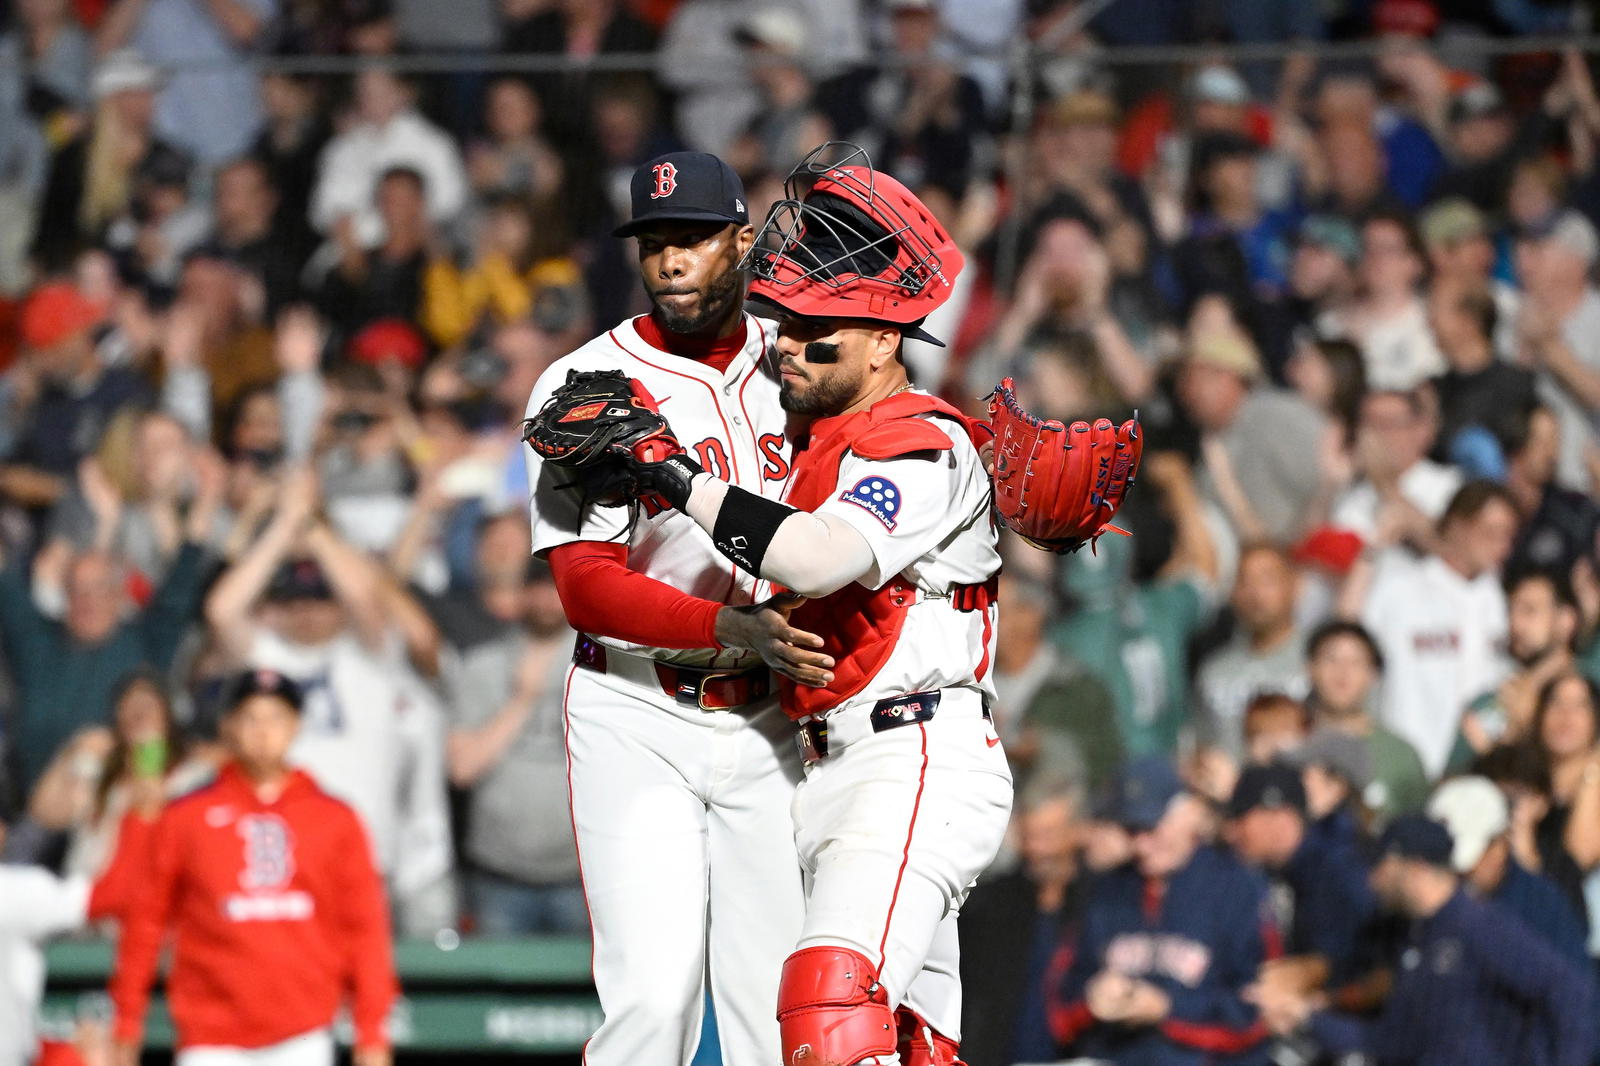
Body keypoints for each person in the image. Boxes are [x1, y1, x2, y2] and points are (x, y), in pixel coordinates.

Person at [574, 144, 1010, 1065]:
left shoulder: (917, 443)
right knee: (908, 1043)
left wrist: (670, 472)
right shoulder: (828, 439)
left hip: (915, 755)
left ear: (886, 342)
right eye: (787, 325)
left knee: (829, 1008)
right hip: (827, 765)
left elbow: (815, 559)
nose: (792, 348)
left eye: (823, 335)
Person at [520, 151, 816, 1066]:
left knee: (780, 1012)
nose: (670, 261)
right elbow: (585, 585)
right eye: (653, 244)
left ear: (739, 241)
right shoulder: (588, 385)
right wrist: (725, 626)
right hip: (637, 710)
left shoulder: (802, 359)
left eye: (690, 238)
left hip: (773, 717)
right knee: (652, 1000)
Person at [205, 467, 455, 936]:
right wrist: (284, 526)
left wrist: (313, 527)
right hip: (282, 862)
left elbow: (364, 595)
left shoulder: (371, 654)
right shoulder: (268, 652)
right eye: (295, 600)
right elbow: (221, 610)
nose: (308, 610)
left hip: (366, 857)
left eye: (320, 599)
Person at [108, 668, 397, 1066]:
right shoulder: (187, 816)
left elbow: (365, 928)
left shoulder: (335, 819)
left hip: (303, 1030)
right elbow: (145, 920)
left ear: (296, 726)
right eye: (250, 718)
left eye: (276, 717)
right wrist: (127, 1021)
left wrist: (372, 1030)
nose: (263, 731)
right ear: (227, 726)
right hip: (209, 1034)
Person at [1286, 814, 1596, 1065]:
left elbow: (1572, 992)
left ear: (1415, 867)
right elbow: (1394, 1041)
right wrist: (1307, 1019)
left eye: (1381, 866)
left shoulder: (1480, 926)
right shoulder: (1415, 936)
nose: (1372, 879)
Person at [1053, 758, 1273, 1064]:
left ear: (1191, 813)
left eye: (1151, 827)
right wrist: (1091, 1002)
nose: (1141, 845)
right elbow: (1059, 1007)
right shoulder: (1107, 889)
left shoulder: (1238, 888)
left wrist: (1168, 1009)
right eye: (1131, 830)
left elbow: (1262, 1014)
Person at [1353, 480, 1517, 776]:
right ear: (1456, 526)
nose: (1502, 547)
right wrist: (1371, 549)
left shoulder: (1504, 600)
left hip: (1481, 772)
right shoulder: (1401, 588)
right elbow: (1347, 635)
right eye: (1490, 533)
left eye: (1508, 536)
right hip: (1411, 767)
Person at [959, 780, 1090, 1066]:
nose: (1037, 849)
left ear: (1079, 831)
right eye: (1029, 836)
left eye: (1049, 835)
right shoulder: (984, 908)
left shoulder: (1103, 902)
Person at [1225, 763, 1376, 992]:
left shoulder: (1343, 869)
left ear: (1279, 817)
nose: (1232, 832)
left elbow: (1369, 963)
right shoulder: (1283, 870)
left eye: (1241, 818)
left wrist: (1309, 974)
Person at [1426, 775, 1589, 966]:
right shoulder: (1418, 904)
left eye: (1471, 860)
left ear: (1501, 844)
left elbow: (1575, 985)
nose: (1461, 874)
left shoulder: (1543, 906)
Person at [1451, 568, 1580, 770]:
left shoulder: (1593, 690)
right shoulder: (1489, 706)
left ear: (1566, 621)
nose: (1515, 624)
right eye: (1511, 611)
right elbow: (1451, 788)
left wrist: (1528, 727)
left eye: (1529, 611)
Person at [1303, 620, 1430, 823]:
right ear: (1310, 669)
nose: (1342, 672)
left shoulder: (1401, 755)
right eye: (1331, 659)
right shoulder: (1292, 747)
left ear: (1373, 674)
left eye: (1355, 662)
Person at [1195, 543, 1307, 756]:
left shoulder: (1320, 661)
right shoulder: (1213, 670)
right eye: (1244, 582)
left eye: (1267, 580)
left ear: (1295, 586)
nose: (1256, 594)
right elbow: (1200, 745)